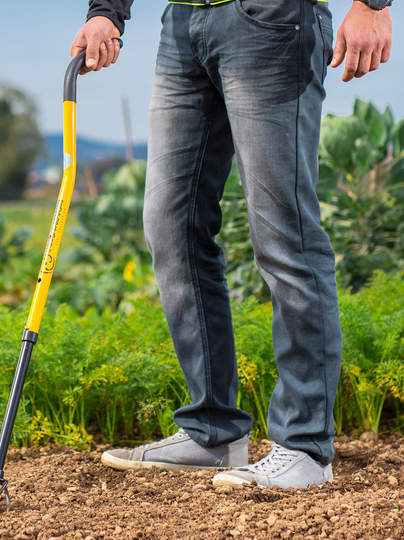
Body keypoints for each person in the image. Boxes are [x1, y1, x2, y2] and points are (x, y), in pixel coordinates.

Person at [71, 0, 393, 489]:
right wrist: (106, 11)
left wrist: (373, 4)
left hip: (272, 19)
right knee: (170, 227)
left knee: (284, 234)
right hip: (182, 23)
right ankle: (212, 431)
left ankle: (306, 446)